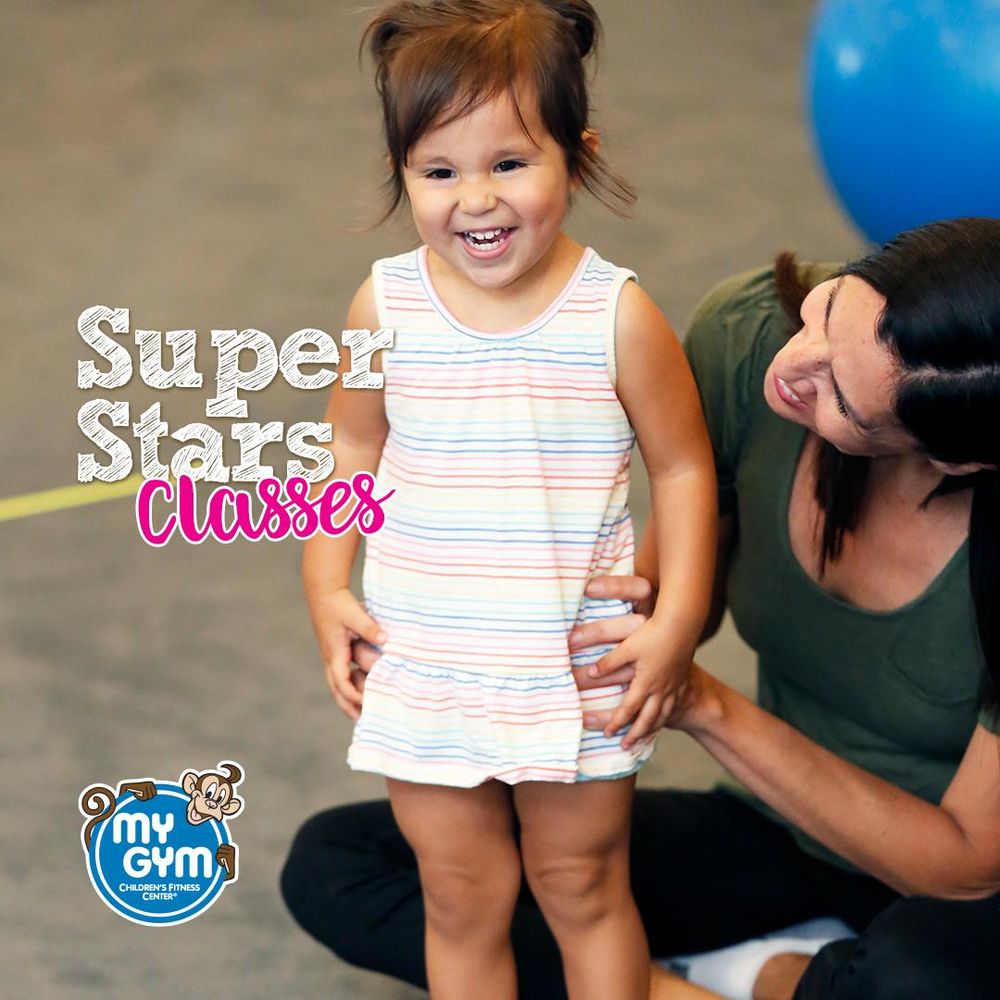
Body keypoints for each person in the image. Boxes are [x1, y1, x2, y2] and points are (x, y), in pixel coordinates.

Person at [283, 216, 1000, 999]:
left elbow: (963, 870)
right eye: (827, 312)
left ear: (960, 458)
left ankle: (770, 974)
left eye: (845, 404)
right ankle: (743, 977)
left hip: (943, 889)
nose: (795, 365)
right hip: (776, 825)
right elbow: (651, 606)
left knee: (916, 985)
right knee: (348, 865)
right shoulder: (752, 335)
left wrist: (704, 704)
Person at [299, 3, 717, 998]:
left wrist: (677, 623)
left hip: (575, 664)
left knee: (581, 885)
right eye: (438, 172)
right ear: (401, 173)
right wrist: (325, 584)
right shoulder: (384, 305)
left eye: (509, 163)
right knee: (459, 891)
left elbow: (685, 469)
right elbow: (351, 447)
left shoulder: (616, 315)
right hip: (426, 661)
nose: (475, 200)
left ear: (578, 156)